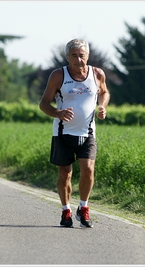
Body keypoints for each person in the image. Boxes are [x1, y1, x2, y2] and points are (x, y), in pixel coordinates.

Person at [39, 39, 110, 228]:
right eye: (74, 56)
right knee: (65, 175)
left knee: (88, 171)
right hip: (63, 133)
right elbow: (44, 103)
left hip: (88, 133)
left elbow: (104, 92)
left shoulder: (97, 74)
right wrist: (57, 113)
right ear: (67, 57)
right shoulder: (58, 76)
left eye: (82, 55)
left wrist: (102, 106)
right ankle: (66, 210)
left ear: (88, 55)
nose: (78, 59)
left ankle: (84, 208)